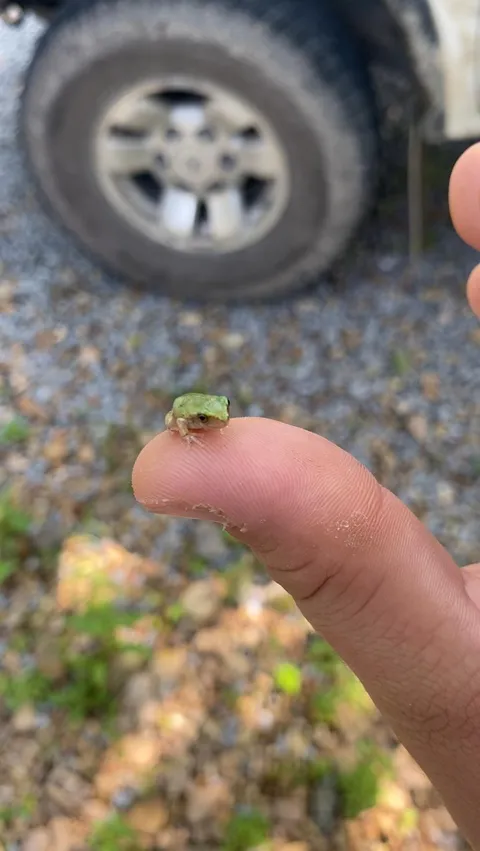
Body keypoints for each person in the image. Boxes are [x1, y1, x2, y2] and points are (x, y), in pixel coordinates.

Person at [133, 143, 480, 848]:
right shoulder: (188, 419)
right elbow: (183, 414)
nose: (214, 422)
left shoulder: (219, 416)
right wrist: (188, 430)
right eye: (208, 419)